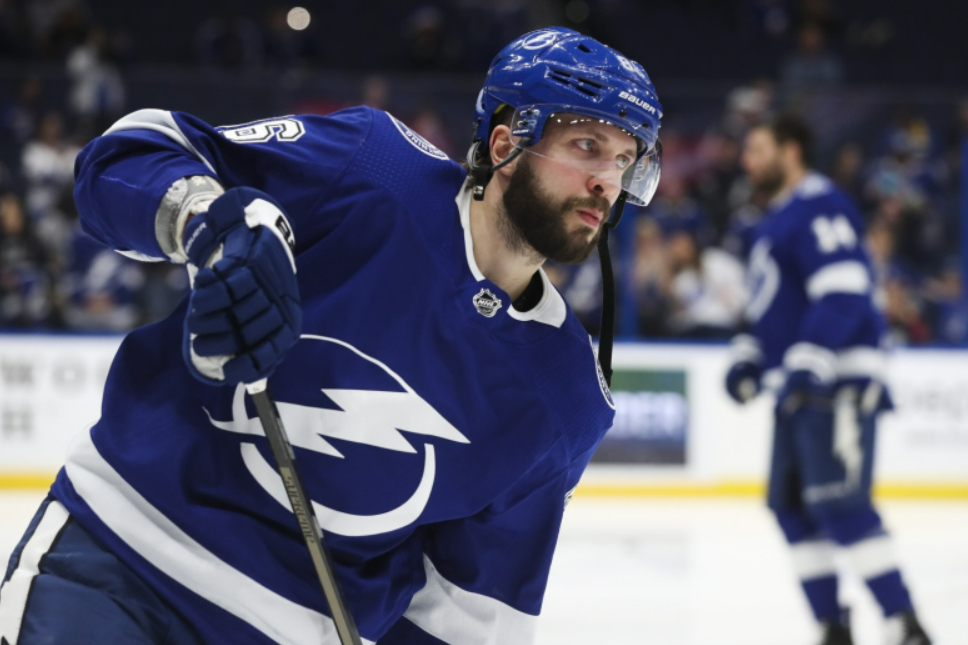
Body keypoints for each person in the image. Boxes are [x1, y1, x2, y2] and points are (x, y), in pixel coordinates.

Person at [0, 27, 663, 644]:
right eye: (586, 146)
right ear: (504, 145)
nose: (607, 181)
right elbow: (125, 156)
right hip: (118, 560)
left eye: (625, 160)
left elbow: (465, 614)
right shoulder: (371, 169)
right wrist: (207, 220)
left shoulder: (564, 398)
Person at [725, 114, 931, 645]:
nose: (748, 160)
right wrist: (751, 356)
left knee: (839, 503)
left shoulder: (819, 204)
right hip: (798, 389)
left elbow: (844, 289)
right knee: (792, 508)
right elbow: (772, 307)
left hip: (834, 385)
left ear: (791, 151)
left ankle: (906, 627)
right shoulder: (774, 218)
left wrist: (810, 359)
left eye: (758, 149)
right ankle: (832, 628)